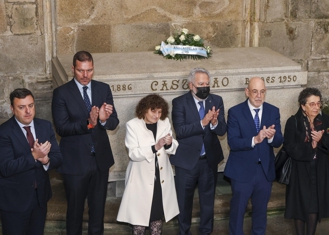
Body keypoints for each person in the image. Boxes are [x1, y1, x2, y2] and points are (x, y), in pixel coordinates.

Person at [52, 51, 119, 235]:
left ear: (93, 69)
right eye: (81, 71)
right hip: (74, 162)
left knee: (98, 211)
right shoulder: (61, 93)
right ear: (73, 69)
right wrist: (89, 123)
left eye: (89, 70)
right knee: (75, 211)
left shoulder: (103, 89)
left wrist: (104, 120)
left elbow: (114, 122)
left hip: (100, 161)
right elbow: (62, 128)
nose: (85, 75)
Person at [170, 68, 227, 235]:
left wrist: (215, 122)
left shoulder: (216, 100)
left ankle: (206, 232)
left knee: (208, 203)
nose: (205, 87)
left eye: (207, 84)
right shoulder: (179, 102)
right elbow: (180, 130)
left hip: (208, 161)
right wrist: (203, 123)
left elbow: (222, 130)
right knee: (184, 203)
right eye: (201, 84)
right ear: (191, 85)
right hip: (186, 163)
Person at [224, 77, 283, 235]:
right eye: (255, 91)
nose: (259, 96)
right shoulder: (235, 112)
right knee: (237, 214)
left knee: (261, 213)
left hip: (264, 172)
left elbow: (278, 141)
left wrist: (271, 136)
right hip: (241, 171)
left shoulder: (273, 111)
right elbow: (233, 142)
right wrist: (255, 139)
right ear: (247, 92)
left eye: (262, 91)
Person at [0, 88, 62, 235]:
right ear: (12, 109)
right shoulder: (3, 132)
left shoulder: (45, 126)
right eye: (21, 107)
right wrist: (34, 155)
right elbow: (6, 168)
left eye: (31, 105)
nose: (28, 111)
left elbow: (58, 158)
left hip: (40, 198)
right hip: (14, 202)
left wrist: (46, 160)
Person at [117, 94, 179, 234]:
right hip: (140, 178)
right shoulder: (133, 125)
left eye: (159, 112)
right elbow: (133, 154)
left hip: (161, 177)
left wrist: (169, 144)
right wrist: (154, 147)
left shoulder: (165, 122)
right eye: (153, 111)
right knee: (139, 217)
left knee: (157, 214)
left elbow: (173, 146)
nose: (157, 115)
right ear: (144, 109)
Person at [283, 87, 329, 235]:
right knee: (299, 205)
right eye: (312, 104)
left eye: (318, 103)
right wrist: (311, 146)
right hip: (299, 171)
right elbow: (290, 147)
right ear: (303, 106)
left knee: (314, 205)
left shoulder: (325, 120)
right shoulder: (293, 122)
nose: (316, 107)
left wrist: (322, 140)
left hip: (319, 169)